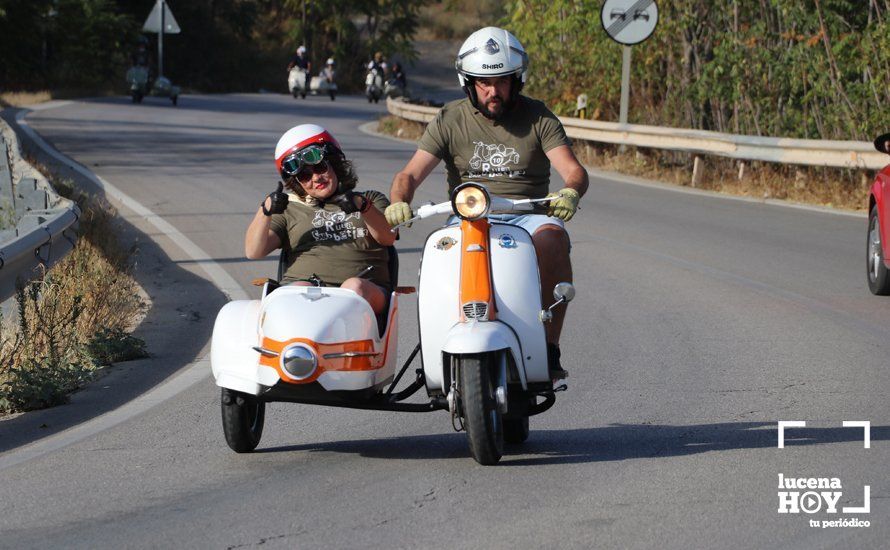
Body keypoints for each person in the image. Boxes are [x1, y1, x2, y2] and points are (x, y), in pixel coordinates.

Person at [385, 26, 589, 379]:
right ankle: (437, 354)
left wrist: (571, 191)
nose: (493, 91)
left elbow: (573, 170)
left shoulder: (538, 117)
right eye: (483, 83)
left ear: (517, 80)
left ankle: (549, 347)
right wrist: (399, 201)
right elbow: (409, 175)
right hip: (468, 216)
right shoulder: (450, 118)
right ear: (468, 82)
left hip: (527, 215)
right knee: (438, 254)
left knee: (553, 238)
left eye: (502, 82)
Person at [245, 124, 395, 314]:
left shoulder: (370, 199)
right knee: (296, 290)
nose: (315, 178)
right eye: (305, 175)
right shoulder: (290, 210)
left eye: (319, 167)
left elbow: (388, 237)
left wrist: (362, 206)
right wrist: (265, 210)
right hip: (305, 293)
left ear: (334, 164)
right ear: (297, 182)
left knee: (353, 287)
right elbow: (253, 251)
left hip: (364, 294)